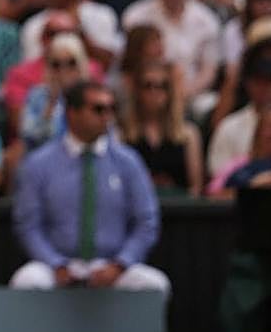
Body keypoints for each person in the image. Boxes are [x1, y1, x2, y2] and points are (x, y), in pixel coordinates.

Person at [10, 81, 169, 294]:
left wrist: (120, 263)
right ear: (72, 113)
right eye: (98, 109)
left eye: (111, 109)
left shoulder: (129, 162)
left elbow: (146, 222)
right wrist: (56, 264)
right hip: (56, 264)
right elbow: (28, 225)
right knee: (27, 281)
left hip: (112, 265)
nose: (107, 116)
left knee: (155, 285)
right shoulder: (39, 164)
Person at [119, 62, 204, 196]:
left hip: (179, 205)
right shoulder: (122, 133)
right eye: (148, 86)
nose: (155, 92)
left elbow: (196, 188)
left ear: (170, 92)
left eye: (162, 86)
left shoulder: (188, 134)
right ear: (137, 91)